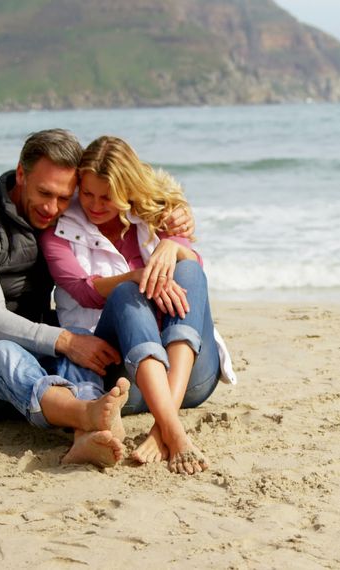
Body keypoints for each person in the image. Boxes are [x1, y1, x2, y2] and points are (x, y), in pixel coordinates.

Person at [0, 129, 193, 468]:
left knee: (79, 345)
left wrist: (175, 223)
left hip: (34, 354)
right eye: (44, 193)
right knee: (10, 351)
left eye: (64, 197)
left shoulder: (63, 212)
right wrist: (66, 340)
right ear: (21, 173)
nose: (52, 208)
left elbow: (121, 198)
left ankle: (86, 437)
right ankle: (86, 414)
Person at [39, 135, 236, 476]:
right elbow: (84, 292)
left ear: (127, 190)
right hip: (121, 381)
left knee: (188, 267)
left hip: (190, 379)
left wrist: (173, 246)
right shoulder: (59, 230)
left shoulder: (157, 213)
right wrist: (138, 275)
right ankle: (174, 430)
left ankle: (163, 428)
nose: (95, 205)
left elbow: (194, 281)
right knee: (126, 293)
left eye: (108, 197)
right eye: (87, 194)